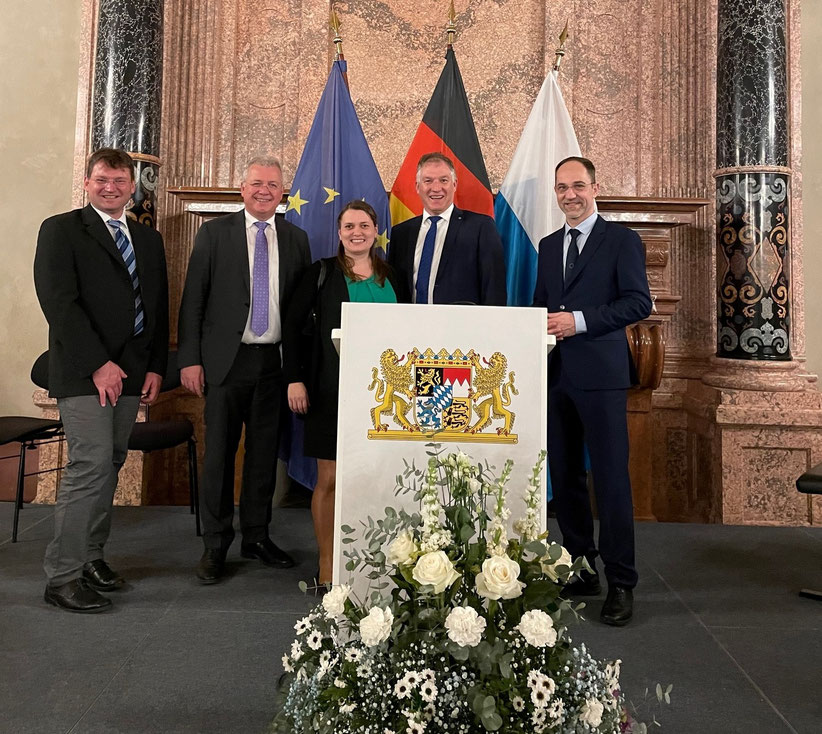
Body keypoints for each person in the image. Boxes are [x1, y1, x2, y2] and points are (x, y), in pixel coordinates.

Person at [33, 148, 169, 613]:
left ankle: (92, 557)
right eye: (101, 179)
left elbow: (156, 306)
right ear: (87, 182)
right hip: (82, 370)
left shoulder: (148, 240)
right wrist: (97, 364)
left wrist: (155, 366)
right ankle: (63, 576)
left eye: (119, 181)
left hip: (131, 371)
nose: (110, 187)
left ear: (133, 187)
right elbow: (59, 304)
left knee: (109, 464)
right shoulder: (61, 230)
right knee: (88, 467)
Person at [177, 156, 311, 584]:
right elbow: (193, 299)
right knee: (218, 455)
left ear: (281, 192)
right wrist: (190, 359)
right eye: (257, 183)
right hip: (224, 362)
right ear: (242, 188)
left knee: (262, 457)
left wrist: (298, 369)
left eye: (273, 185)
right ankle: (215, 544)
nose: (264, 191)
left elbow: (298, 310)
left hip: (273, 362)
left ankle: (256, 536)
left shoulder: (296, 238)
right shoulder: (214, 234)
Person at [533, 156, 652, 626]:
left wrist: (579, 321)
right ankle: (583, 566)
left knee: (610, 481)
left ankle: (622, 580)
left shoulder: (622, 240)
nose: (570, 195)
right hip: (555, 376)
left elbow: (638, 302)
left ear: (595, 187)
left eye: (577, 185)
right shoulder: (546, 246)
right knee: (564, 480)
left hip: (602, 377)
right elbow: (543, 306)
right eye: (561, 188)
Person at [283, 201, 408, 586]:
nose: (357, 232)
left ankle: (378, 566)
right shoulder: (320, 273)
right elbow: (292, 329)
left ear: (376, 230)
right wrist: (294, 379)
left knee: (383, 479)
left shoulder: (395, 276)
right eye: (350, 226)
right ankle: (327, 565)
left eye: (365, 225)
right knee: (331, 479)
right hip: (329, 390)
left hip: (386, 397)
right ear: (339, 232)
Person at [388, 152, 506, 305]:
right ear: (418, 187)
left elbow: (494, 287)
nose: (436, 188)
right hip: (412, 324)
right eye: (428, 181)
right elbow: (396, 288)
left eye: (443, 180)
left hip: (462, 325)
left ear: (454, 184)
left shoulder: (480, 227)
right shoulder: (401, 233)